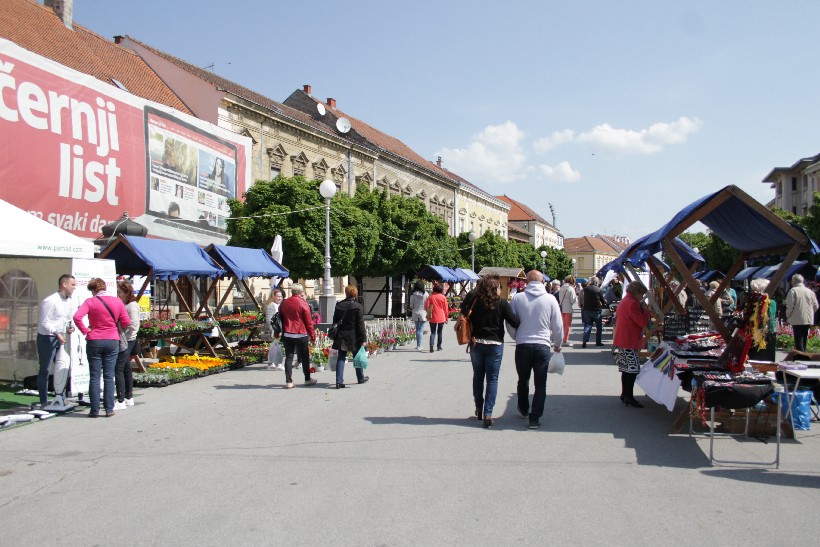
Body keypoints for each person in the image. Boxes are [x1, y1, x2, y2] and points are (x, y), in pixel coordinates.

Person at [461, 275, 520, 428]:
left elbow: (463, 311)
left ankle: (478, 407)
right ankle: (488, 413)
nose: (501, 289)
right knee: (492, 379)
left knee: (478, 376)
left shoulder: (475, 300)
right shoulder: (502, 303)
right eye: (500, 287)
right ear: (495, 288)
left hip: (476, 343)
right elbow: (515, 322)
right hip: (495, 344)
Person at [510, 270, 563, 429]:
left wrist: (516, 336)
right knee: (540, 384)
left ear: (526, 281)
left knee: (523, 379)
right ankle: (535, 417)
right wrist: (558, 343)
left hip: (523, 344)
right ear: (542, 282)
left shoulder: (517, 298)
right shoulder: (550, 299)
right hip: (542, 345)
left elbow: (510, 322)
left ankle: (523, 408)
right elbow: (557, 325)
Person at [73, 278, 130, 418]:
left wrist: (85, 330)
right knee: (109, 376)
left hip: (94, 340)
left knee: (94, 376)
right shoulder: (117, 301)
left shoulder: (90, 302)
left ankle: (94, 410)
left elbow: (77, 317)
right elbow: (126, 321)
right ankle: (109, 409)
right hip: (112, 340)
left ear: (93, 290)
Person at [36, 274, 77, 408]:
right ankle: (43, 400)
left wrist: (70, 327)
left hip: (61, 337)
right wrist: (56, 333)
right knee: (45, 369)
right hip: (47, 337)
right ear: (64, 284)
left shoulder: (69, 301)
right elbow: (44, 322)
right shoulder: (50, 301)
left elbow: (68, 319)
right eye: (72, 285)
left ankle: (61, 397)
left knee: (62, 367)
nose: (74, 287)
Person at [613, 280, 651, 408]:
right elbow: (641, 322)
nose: (642, 297)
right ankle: (629, 396)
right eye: (642, 294)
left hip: (623, 339)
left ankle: (625, 394)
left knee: (626, 369)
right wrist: (646, 312)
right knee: (633, 370)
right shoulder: (633, 303)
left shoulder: (626, 300)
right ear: (637, 292)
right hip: (629, 339)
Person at [278, 283, 316, 388]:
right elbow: (309, 322)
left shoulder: (284, 303)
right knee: (304, 357)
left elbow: (280, 317)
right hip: (300, 333)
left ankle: (289, 381)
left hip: (287, 333)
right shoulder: (303, 303)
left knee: (289, 357)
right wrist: (312, 336)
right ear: (300, 292)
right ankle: (307, 379)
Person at [331, 285, 369, 388]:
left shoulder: (339, 305)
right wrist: (363, 338)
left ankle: (339, 381)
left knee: (341, 357)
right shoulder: (357, 306)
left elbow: (334, 321)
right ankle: (360, 378)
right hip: (354, 336)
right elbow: (360, 324)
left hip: (341, 335)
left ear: (346, 293)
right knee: (357, 357)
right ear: (355, 294)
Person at [113, 281, 140, 411]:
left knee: (119, 367)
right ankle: (129, 397)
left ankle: (121, 399)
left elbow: (134, 324)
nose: (118, 294)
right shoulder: (125, 304)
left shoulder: (132, 305)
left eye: (120, 292)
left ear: (126, 292)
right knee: (126, 368)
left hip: (128, 339)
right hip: (125, 338)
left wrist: (123, 328)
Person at [785, 273, 819, 352]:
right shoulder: (810, 291)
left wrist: (788, 315)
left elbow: (789, 305)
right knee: (804, 338)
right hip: (808, 319)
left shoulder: (793, 290)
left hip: (796, 318)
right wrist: (810, 312)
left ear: (794, 281)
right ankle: (803, 354)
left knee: (798, 339)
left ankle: (800, 356)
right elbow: (816, 306)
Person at [747, 278, 777, 361]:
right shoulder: (770, 302)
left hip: (760, 334)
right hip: (763, 334)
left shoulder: (767, 302)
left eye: (754, 289)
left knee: (756, 360)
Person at [581, 276, 607, 348]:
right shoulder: (598, 289)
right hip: (596, 310)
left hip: (587, 309)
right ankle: (598, 342)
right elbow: (602, 300)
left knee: (587, 325)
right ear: (596, 282)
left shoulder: (586, 289)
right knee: (599, 327)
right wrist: (604, 303)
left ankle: (585, 340)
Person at [425, 281, 449, 352]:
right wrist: (446, 318)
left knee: (433, 332)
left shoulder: (431, 297)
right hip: (441, 316)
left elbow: (426, 306)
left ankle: (431, 345)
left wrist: (429, 311)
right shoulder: (443, 297)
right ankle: (439, 347)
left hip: (432, 316)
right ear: (441, 289)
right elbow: (446, 309)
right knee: (440, 332)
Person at [264, 288, 284, 369]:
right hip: (274, 330)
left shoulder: (281, 305)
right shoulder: (271, 306)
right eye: (278, 296)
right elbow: (268, 319)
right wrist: (272, 330)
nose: (279, 298)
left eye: (280, 296)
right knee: (274, 347)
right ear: (274, 297)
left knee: (279, 347)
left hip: (280, 329)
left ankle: (277, 362)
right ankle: (272, 362)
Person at [408, 280, 429, 351]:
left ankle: (418, 345)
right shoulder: (426, 294)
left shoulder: (413, 295)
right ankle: (419, 345)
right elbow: (427, 304)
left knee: (417, 329)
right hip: (423, 313)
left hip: (415, 312)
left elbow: (411, 305)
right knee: (421, 329)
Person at [558, 275, 577, 347]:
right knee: (568, 325)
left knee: (563, 324)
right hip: (568, 307)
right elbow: (573, 300)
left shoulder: (561, 287)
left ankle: (562, 338)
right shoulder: (570, 289)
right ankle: (565, 340)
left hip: (562, 307)